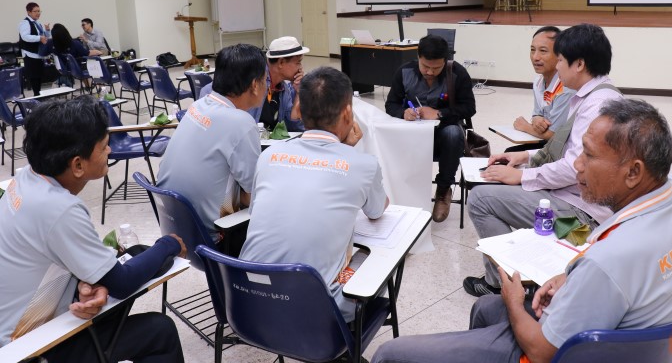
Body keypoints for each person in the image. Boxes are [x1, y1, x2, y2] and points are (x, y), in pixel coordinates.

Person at [372, 99, 672, 363]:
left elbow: (541, 352)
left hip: (564, 353)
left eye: (588, 156)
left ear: (634, 172)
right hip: (662, 348)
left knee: (390, 355)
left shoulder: (608, 261)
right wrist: (569, 278)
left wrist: (514, 301)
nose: (577, 165)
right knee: (485, 308)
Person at [0, 96, 187, 362]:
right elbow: (122, 283)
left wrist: (85, 284)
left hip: (14, 320)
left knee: (134, 254)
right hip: (25, 347)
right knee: (160, 332)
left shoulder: (25, 179)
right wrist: (169, 244)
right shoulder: (59, 209)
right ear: (78, 165)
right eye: (104, 146)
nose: (110, 150)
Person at [464, 23, 623, 296]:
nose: (556, 67)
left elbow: (573, 168)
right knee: (496, 184)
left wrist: (522, 175)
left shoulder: (596, 106)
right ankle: (522, 272)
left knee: (480, 199)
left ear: (579, 64)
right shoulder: (597, 95)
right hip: (579, 201)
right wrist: (524, 157)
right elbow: (567, 150)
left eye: (559, 59)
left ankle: (502, 286)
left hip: (581, 220)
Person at [240, 67, 388, 322]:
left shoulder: (268, 156)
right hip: (318, 312)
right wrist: (347, 153)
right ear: (348, 113)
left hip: (248, 302)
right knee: (376, 258)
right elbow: (377, 211)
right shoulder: (363, 165)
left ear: (298, 109)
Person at [158, 43, 266, 253]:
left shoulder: (198, 105)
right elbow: (254, 195)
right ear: (254, 85)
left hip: (173, 227)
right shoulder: (241, 123)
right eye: (265, 80)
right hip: (213, 240)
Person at [385, 34, 476, 223]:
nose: (430, 72)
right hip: (413, 135)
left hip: (443, 138)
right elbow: (391, 104)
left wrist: (439, 114)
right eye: (425, 66)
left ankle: (443, 190)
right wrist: (403, 113)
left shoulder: (457, 73)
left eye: (436, 68)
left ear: (445, 61)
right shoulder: (404, 72)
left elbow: (469, 107)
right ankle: (405, 188)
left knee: (453, 133)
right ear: (418, 57)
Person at [509, 26, 574, 151]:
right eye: (532, 50)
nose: (535, 57)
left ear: (560, 55)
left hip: (564, 149)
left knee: (511, 155)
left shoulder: (565, 88)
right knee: (509, 154)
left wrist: (525, 126)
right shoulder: (538, 81)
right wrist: (536, 119)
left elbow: (555, 136)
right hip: (547, 143)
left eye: (543, 51)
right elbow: (537, 113)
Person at [247, 36, 307, 132]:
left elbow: (293, 128)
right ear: (281, 62)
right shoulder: (254, 82)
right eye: (298, 62)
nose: (301, 68)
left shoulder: (284, 89)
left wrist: (298, 93)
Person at [18, 2, 51, 96]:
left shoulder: (37, 23)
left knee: (39, 76)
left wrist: (47, 30)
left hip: (38, 53)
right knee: (34, 77)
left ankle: (39, 95)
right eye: (35, 11)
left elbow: (44, 37)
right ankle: (37, 96)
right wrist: (39, 38)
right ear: (29, 12)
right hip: (30, 54)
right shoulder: (25, 23)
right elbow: (25, 37)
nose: (38, 13)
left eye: (39, 11)